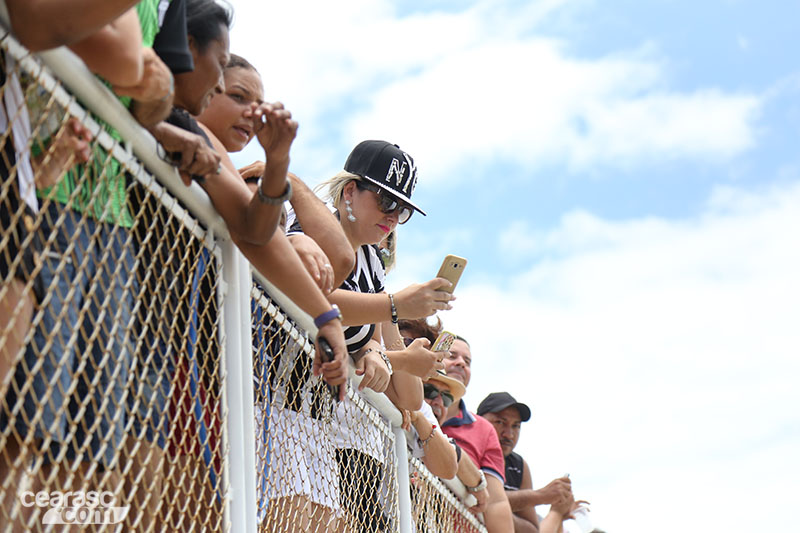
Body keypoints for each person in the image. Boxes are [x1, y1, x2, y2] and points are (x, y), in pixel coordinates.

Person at [194, 53, 351, 531]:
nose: (251, 112)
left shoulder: (233, 167)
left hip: (218, 373)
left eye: (258, 103)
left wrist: (282, 166)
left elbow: (335, 257)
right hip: (183, 358)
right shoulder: (211, 154)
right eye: (237, 96)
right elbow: (257, 229)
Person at [441, 335, 514, 532]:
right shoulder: (410, 402)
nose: (461, 363)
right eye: (452, 356)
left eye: (467, 361)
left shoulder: (484, 429)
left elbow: (496, 502)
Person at [478, 392, 576, 533]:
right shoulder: (470, 449)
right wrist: (539, 496)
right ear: (478, 420)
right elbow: (473, 497)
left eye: (516, 426)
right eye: (500, 422)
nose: (509, 434)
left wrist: (495, 512)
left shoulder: (519, 466)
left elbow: (531, 530)